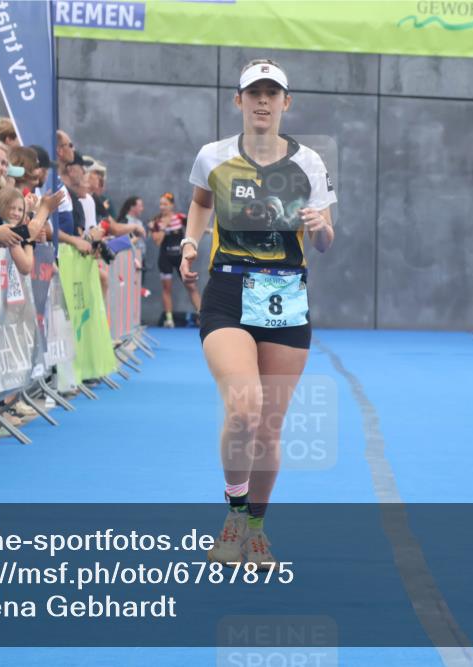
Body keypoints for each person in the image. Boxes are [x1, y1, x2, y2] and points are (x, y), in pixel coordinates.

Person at [180, 59, 336, 568]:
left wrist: (320, 226)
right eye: (254, 93)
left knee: (268, 427)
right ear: (239, 100)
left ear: (286, 102)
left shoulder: (308, 162)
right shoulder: (214, 156)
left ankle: (256, 529)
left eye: (272, 93)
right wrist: (191, 241)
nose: (263, 101)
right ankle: (233, 516)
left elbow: (326, 239)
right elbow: (200, 202)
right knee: (244, 408)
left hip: (286, 295)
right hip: (228, 290)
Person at [151, 192, 200, 328]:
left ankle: (201, 315)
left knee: (191, 286)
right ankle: (169, 319)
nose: (162, 207)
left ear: (171, 205)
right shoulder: (156, 221)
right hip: (165, 258)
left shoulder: (180, 217)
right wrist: (164, 225)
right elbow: (157, 241)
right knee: (167, 288)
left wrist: (207, 230)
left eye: (165, 204)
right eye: (161, 204)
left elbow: (194, 227)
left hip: (180, 258)